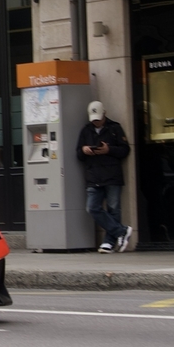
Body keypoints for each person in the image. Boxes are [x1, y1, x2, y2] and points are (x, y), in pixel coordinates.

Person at [77, 100, 134, 253]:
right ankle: (121, 231)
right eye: (94, 120)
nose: (96, 122)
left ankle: (109, 242)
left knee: (113, 208)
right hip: (93, 176)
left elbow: (125, 150)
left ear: (105, 114)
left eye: (99, 119)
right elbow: (78, 154)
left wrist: (109, 150)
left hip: (112, 174)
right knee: (92, 208)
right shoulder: (86, 130)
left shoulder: (114, 128)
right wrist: (84, 150)